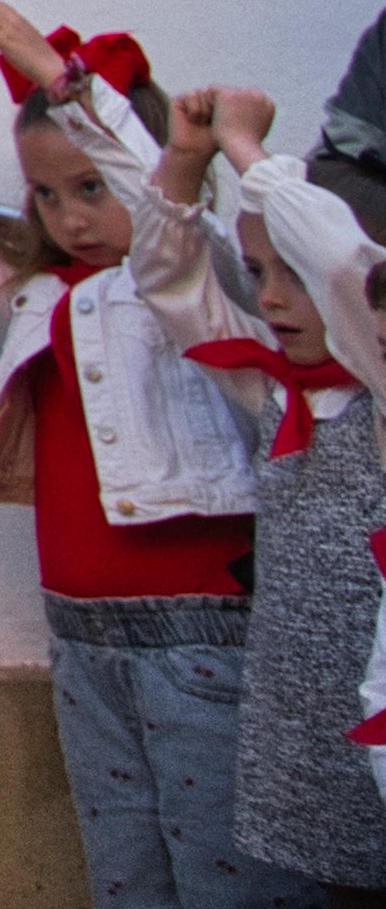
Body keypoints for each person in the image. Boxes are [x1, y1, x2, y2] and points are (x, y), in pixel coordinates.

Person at [0, 0, 308, 909]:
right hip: (84, 632)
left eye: (90, 188)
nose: (72, 216)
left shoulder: (192, 274)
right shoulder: (39, 293)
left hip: (203, 630)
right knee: (127, 871)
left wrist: (60, 79)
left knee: (232, 873)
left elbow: (154, 195)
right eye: (48, 195)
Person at [185, 90, 386, 895]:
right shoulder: (297, 394)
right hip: (324, 751)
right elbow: (342, 265)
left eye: (289, 277)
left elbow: (342, 263)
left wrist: (243, 150)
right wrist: (197, 158)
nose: (270, 298)